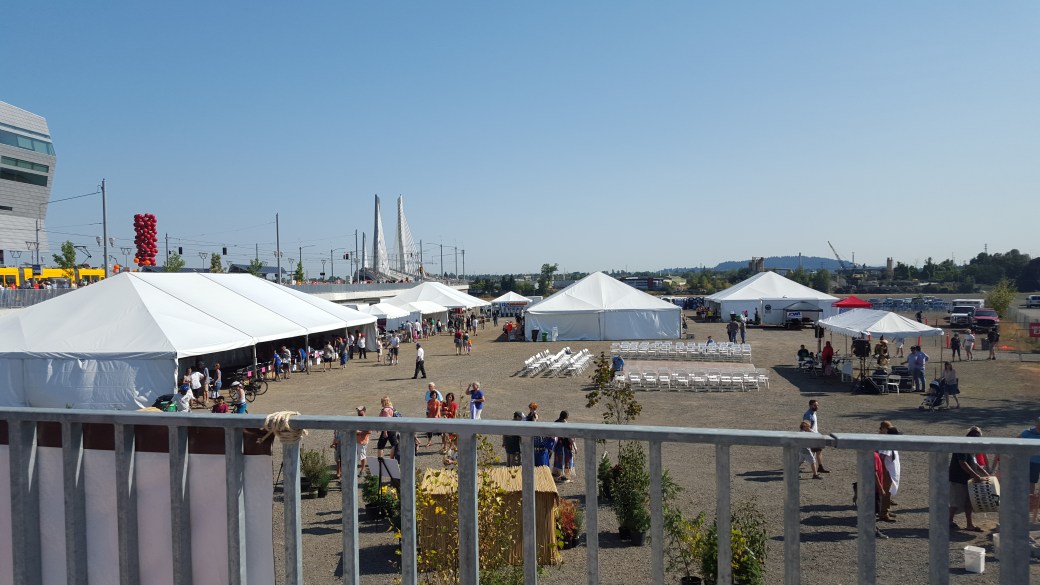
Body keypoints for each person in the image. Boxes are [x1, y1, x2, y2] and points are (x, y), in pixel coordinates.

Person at [949, 426, 989, 532]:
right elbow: (963, 463)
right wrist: (976, 475)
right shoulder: (962, 445)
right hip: (958, 478)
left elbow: (974, 462)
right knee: (955, 502)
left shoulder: (971, 446)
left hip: (968, 479)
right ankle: (948, 521)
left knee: (969, 502)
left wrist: (985, 474)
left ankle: (969, 525)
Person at [876, 421, 899, 521]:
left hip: (890, 470)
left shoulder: (888, 440)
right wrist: (884, 471)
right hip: (887, 471)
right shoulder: (885, 442)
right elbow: (881, 457)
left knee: (888, 492)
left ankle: (886, 509)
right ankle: (883, 513)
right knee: (885, 492)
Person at [803, 400, 829, 473]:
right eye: (815, 405)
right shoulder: (808, 415)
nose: (817, 407)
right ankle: (819, 468)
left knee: (816, 452)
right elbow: (806, 427)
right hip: (812, 437)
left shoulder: (813, 413)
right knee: (817, 451)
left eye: (817, 405)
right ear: (810, 405)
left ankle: (820, 467)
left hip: (814, 436)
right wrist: (815, 434)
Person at [552, 411, 575, 483]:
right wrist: (574, 445)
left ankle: (556, 475)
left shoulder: (555, 422)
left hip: (557, 445)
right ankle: (564, 476)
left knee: (558, 460)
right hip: (565, 446)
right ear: (566, 416)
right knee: (566, 461)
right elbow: (569, 436)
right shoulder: (565, 424)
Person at [1019, 417, 1040, 495]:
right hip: (1032, 461)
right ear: (1036, 424)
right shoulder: (1027, 432)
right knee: (1031, 482)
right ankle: (1030, 499)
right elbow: (1015, 441)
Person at [355, 406, 371, 477]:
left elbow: (369, 431)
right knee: (356, 455)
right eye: (358, 411)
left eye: (360, 411)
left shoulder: (367, 420)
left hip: (363, 441)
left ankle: (362, 470)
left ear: (364, 410)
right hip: (357, 440)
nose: (358, 412)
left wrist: (359, 432)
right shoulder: (358, 419)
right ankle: (356, 469)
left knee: (362, 455)